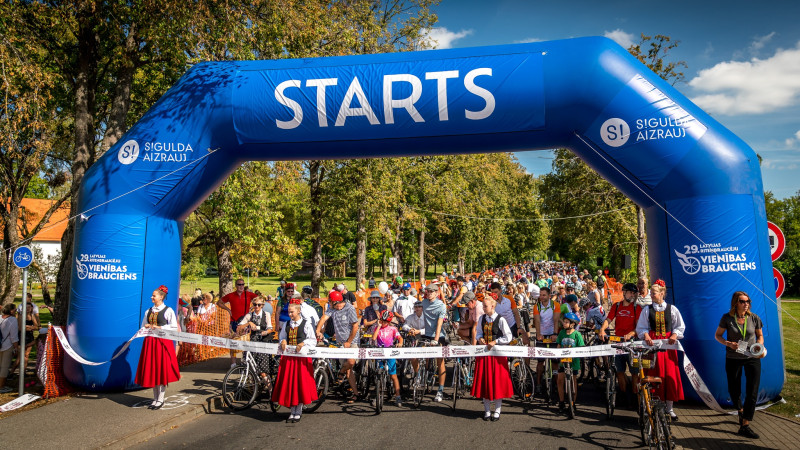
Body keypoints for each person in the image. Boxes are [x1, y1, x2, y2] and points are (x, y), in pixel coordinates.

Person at [715, 291, 764, 439]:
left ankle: (745, 424)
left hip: (751, 357)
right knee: (734, 389)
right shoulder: (727, 318)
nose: (746, 304)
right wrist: (728, 343)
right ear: (736, 303)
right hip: (733, 357)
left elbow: (760, 335)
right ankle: (741, 411)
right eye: (743, 301)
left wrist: (759, 347)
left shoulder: (754, 317)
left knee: (752, 390)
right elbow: (718, 335)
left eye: (748, 301)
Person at [635, 279, 685, 421]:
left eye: (654, 293)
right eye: (651, 293)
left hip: (668, 347)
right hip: (652, 346)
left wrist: (675, 334)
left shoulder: (672, 309)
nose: (651, 295)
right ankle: (652, 405)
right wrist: (645, 335)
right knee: (654, 373)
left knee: (669, 375)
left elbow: (679, 326)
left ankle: (669, 408)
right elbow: (641, 327)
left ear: (662, 293)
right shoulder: (647, 310)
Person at [135, 285, 181, 410]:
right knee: (153, 370)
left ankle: (160, 399)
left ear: (161, 297)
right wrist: (147, 327)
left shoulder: (168, 310)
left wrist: (160, 327)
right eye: (152, 295)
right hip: (150, 343)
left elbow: (173, 327)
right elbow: (144, 325)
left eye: (154, 295)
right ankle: (155, 399)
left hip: (162, 343)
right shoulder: (148, 311)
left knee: (161, 370)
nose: (151, 297)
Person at [272, 303, 317, 423]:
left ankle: (299, 410)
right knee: (290, 383)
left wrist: (303, 343)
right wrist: (283, 341)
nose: (290, 314)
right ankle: (292, 411)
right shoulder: (287, 324)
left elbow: (312, 340)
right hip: (289, 358)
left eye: (292, 312)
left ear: (298, 311)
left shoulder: (306, 323)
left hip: (301, 358)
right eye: (289, 312)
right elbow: (282, 337)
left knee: (300, 383)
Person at [599, 282, 642, 405]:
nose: (632, 295)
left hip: (631, 343)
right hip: (618, 342)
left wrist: (631, 333)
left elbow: (639, 327)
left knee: (634, 372)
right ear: (624, 293)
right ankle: (623, 394)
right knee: (619, 371)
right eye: (630, 292)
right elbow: (608, 320)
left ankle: (634, 396)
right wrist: (602, 329)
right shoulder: (616, 306)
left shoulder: (636, 308)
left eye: (634, 293)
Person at [472, 295, 514, 421]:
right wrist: (480, 338)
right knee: (485, 381)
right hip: (485, 354)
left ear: (492, 306)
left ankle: (497, 410)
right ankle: (486, 410)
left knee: (497, 382)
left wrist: (495, 341)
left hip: (497, 355)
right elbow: (479, 332)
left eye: (485, 306)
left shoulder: (500, 319)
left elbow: (508, 337)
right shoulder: (482, 318)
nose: (483, 308)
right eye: (483, 305)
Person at [315, 290, 360, 403]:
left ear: (335, 302)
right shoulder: (332, 309)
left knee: (350, 362)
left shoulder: (349, 308)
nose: (328, 304)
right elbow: (324, 318)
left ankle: (340, 373)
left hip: (352, 340)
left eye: (330, 302)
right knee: (348, 370)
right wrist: (318, 330)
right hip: (340, 342)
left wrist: (349, 341)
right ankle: (355, 394)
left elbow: (355, 326)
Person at [218, 278, 257, 367]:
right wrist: (228, 309)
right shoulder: (231, 295)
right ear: (236, 286)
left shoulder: (248, 294)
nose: (241, 286)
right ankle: (233, 363)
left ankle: (245, 361)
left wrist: (253, 308)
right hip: (234, 321)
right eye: (239, 284)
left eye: (242, 284)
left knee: (245, 342)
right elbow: (219, 302)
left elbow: (260, 300)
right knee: (233, 342)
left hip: (245, 322)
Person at [371, 310, 404, 407]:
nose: (383, 322)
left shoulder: (393, 329)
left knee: (393, 376)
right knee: (378, 375)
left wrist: (400, 343)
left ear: (389, 322)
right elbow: (373, 338)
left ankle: (398, 396)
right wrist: (379, 327)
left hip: (390, 353)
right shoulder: (377, 328)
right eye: (382, 320)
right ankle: (377, 395)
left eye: (385, 321)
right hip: (380, 353)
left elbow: (400, 338)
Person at [421, 282, 448, 402]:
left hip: (439, 335)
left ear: (437, 293)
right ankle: (425, 376)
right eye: (428, 291)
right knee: (425, 358)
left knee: (440, 362)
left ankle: (440, 389)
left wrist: (436, 339)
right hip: (426, 334)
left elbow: (439, 324)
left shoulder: (441, 305)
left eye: (431, 292)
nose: (429, 293)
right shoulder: (424, 302)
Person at [237, 296, 274, 380]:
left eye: (259, 305)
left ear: (262, 305)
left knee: (262, 370)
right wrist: (249, 323)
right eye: (255, 304)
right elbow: (239, 327)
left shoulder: (266, 314)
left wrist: (265, 332)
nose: (256, 306)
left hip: (263, 342)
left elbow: (270, 328)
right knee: (250, 367)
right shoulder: (249, 315)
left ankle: (270, 390)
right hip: (252, 342)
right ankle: (253, 388)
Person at [534, 287, 561, 391]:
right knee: (540, 362)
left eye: (544, 295)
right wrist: (538, 334)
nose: (541, 297)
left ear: (549, 296)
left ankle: (555, 381)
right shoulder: (537, 306)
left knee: (555, 361)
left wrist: (555, 333)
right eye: (540, 295)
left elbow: (556, 320)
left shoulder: (555, 305)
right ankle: (538, 383)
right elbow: (536, 320)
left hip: (552, 333)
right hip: (542, 334)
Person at [557, 311, 585, 412]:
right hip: (563, 361)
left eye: (566, 322)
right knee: (560, 380)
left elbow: (581, 347)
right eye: (563, 322)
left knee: (573, 381)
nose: (564, 324)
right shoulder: (562, 333)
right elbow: (559, 345)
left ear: (572, 324)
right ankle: (561, 402)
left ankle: (573, 402)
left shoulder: (577, 334)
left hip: (574, 362)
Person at [0, 303, 20, 393]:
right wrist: (16, 348)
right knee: (4, 366)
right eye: (15, 309)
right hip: (7, 345)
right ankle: (1, 386)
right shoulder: (12, 320)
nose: (16, 310)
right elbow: (13, 336)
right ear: (11, 311)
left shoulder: (0, 317)